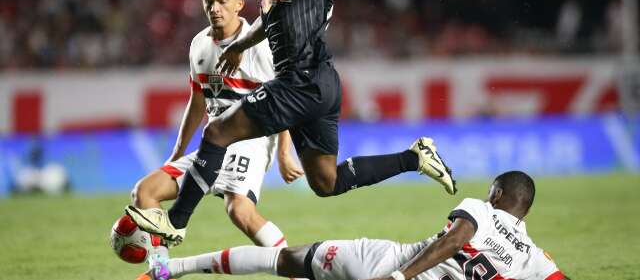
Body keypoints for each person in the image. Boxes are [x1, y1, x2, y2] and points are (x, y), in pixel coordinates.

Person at [125, 0, 456, 248]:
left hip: (301, 79)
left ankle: (176, 222)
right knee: (326, 182)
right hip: (321, 82)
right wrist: (240, 47)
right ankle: (414, 158)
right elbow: (270, 24)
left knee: (216, 132)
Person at [121, 0, 304, 260]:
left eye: (222, 1)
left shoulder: (260, 45)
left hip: (253, 138)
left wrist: (284, 153)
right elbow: (197, 102)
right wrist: (177, 152)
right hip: (213, 143)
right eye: (209, 2)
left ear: (239, 4)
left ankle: (297, 270)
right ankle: (161, 269)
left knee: (239, 210)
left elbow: (283, 98)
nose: (215, 8)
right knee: (144, 192)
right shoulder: (199, 45)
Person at [142, 171, 570, 280]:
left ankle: (172, 269)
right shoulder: (532, 257)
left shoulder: (480, 208)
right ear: (526, 212)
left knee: (288, 260)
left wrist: (402, 274)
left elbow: (458, 237)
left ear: (497, 194)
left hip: (384, 264)